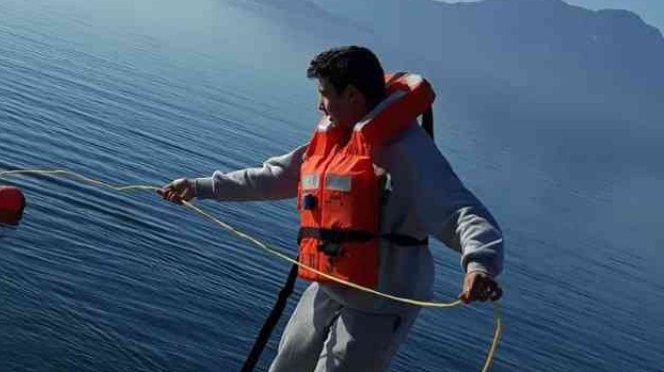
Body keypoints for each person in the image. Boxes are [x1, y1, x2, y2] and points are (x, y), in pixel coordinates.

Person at [159, 46, 503, 372]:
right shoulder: (337, 138)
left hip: (382, 299)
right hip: (331, 281)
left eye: (324, 94)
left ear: (352, 95)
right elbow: (276, 176)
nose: (319, 106)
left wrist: (479, 265)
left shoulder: (409, 151)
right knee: (288, 364)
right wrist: (199, 187)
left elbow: (462, 211)